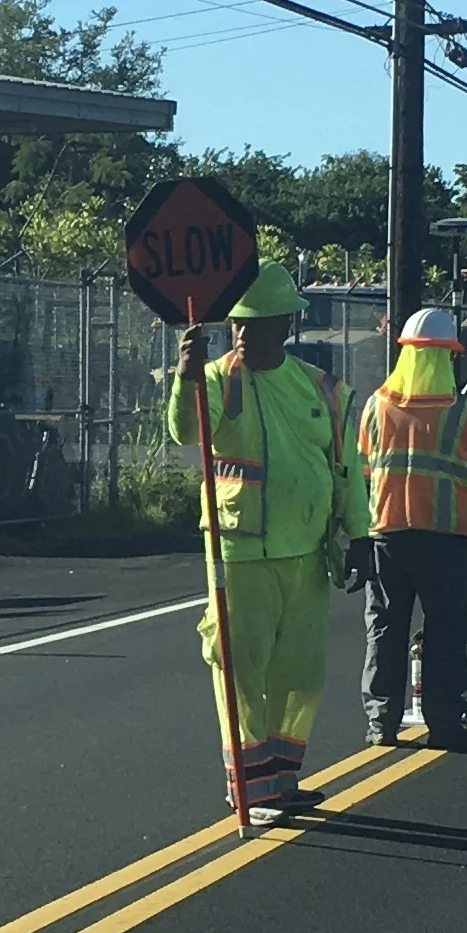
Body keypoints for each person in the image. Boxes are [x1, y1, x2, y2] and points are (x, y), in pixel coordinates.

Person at [167, 261, 372, 824]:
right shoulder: (215, 378)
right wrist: (186, 375)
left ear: (285, 325)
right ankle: (250, 789)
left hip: (306, 555)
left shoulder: (319, 388)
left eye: (255, 324)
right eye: (237, 323)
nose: (242, 333)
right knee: (240, 672)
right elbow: (188, 432)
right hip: (240, 553)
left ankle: (280, 778)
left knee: (299, 674)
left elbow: (345, 469)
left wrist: (359, 535)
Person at [360, 306, 467, 751]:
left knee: (385, 628)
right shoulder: (463, 412)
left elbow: (361, 469)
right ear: (447, 356)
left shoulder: (376, 405)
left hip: (386, 535)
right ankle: (444, 723)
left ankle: (382, 723)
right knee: (444, 630)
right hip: (444, 538)